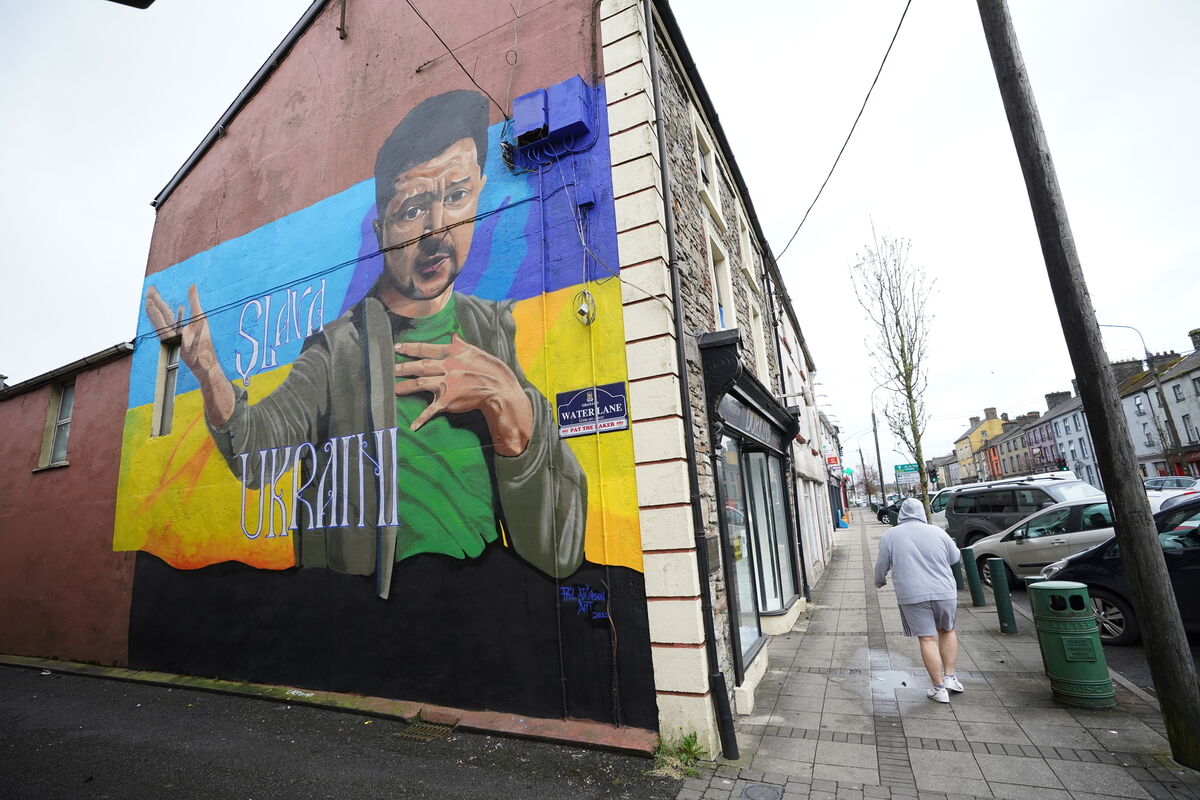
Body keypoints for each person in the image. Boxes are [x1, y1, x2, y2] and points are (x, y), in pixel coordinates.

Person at [144, 89, 586, 599]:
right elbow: (256, 453)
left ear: (482, 192)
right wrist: (210, 374)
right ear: (380, 230)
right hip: (377, 615)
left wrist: (510, 407)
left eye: (457, 196)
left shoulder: (491, 330)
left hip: (487, 602)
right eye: (413, 208)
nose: (437, 230)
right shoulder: (339, 350)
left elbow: (560, 551)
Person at [874, 497, 963, 703]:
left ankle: (939, 689)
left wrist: (879, 581)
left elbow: (881, 564)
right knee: (948, 631)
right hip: (944, 591)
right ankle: (950, 677)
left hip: (912, 594)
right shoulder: (938, 532)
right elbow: (955, 557)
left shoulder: (891, 535)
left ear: (902, 513)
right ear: (922, 513)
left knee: (927, 638)